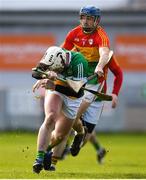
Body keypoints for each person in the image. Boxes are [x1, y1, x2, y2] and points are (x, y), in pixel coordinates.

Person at [45, 5, 123, 170]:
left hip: (96, 87)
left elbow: (105, 55)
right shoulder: (74, 33)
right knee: (69, 120)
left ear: (96, 20)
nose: (85, 21)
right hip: (80, 83)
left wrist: (102, 70)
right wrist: (48, 69)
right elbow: (60, 52)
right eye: (83, 17)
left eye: (89, 18)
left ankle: (79, 135)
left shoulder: (101, 37)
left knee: (85, 137)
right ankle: (51, 160)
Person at [32, 46, 88, 174]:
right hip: (56, 90)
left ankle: (80, 132)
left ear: (62, 63)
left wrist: (54, 85)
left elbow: (78, 91)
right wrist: (45, 75)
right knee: (50, 117)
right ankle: (40, 157)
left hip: (73, 96)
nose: (52, 69)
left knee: (60, 135)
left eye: (55, 69)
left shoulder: (79, 62)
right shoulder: (51, 55)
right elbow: (35, 72)